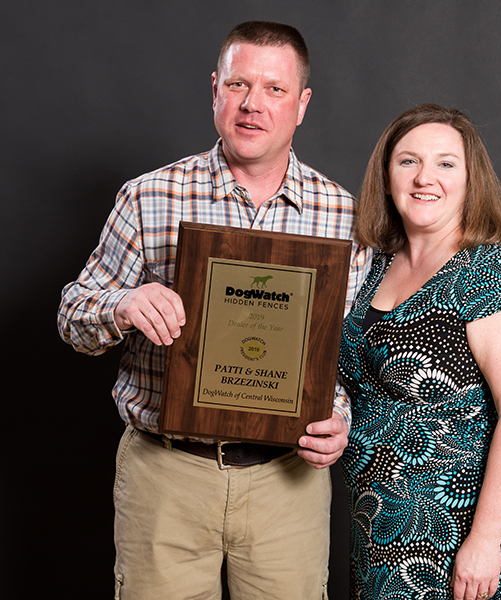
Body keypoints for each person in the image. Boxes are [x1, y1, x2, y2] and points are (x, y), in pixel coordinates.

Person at [57, 21, 371, 600]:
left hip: (289, 483)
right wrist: (123, 304)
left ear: (301, 104)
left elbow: (348, 357)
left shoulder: (346, 217)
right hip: (166, 475)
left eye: (275, 90)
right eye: (238, 85)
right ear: (215, 90)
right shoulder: (148, 196)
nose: (253, 105)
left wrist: (340, 421)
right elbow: (73, 315)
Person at [338, 104, 501, 600]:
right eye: (408, 161)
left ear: (471, 181)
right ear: (386, 178)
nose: (425, 177)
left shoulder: (490, 275)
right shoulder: (371, 268)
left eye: (446, 163)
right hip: (377, 527)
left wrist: (485, 542)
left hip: (454, 534)